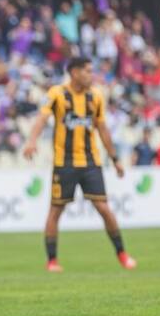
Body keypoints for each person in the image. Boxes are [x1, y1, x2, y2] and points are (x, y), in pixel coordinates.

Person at [23, 57, 137, 273]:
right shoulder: (56, 94)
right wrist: (31, 141)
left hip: (91, 162)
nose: (90, 75)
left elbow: (102, 129)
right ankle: (52, 261)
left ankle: (122, 253)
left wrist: (115, 159)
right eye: (86, 71)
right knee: (56, 210)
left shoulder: (96, 96)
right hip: (64, 162)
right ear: (74, 72)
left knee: (103, 208)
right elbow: (41, 119)